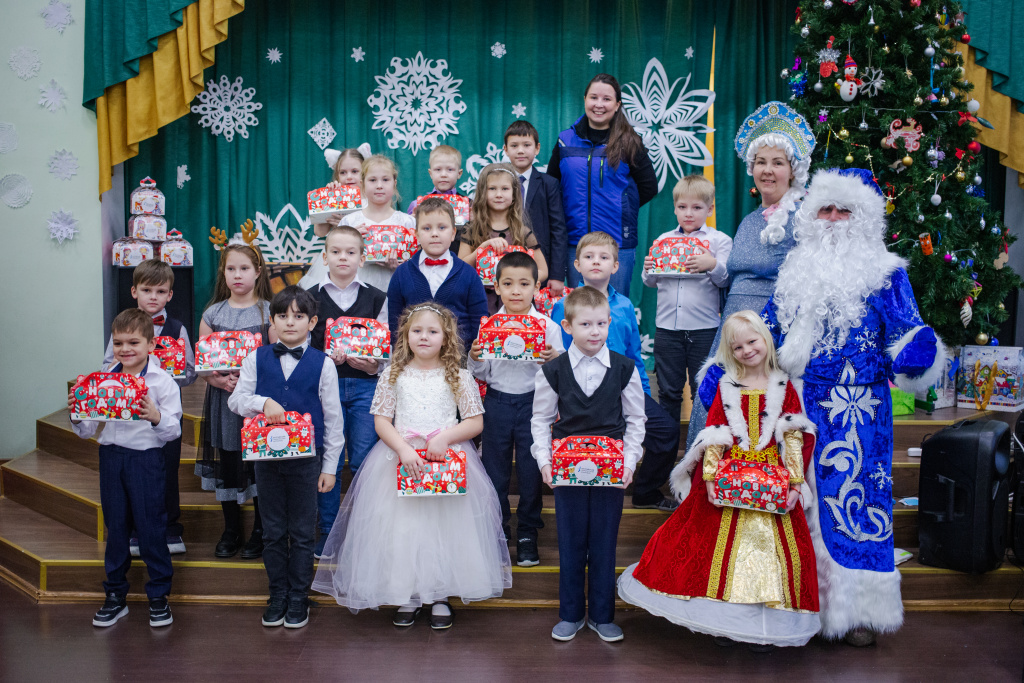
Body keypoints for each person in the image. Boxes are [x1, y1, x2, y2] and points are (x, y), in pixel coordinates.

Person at [762, 168, 945, 646]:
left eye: (845, 210)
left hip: (860, 410)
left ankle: (856, 611)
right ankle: (792, 605)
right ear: (811, 215)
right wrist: (722, 369)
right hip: (798, 405)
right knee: (793, 498)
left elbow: (909, 327)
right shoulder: (795, 268)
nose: (834, 218)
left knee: (858, 499)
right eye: (826, 208)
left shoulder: (887, 272)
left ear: (863, 219)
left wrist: (916, 350)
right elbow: (764, 332)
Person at [617, 311, 820, 650]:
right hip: (731, 478)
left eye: (752, 341)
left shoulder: (784, 386)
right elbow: (714, 435)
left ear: (766, 340)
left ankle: (759, 627)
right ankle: (721, 624)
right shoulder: (728, 385)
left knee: (766, 556)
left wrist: (796, 484)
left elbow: (794, 437)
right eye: (737, 347)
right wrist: (710, 477)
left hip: (772, 479)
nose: (747, 350)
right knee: (715, 554)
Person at [312, 303, 512, 630]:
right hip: (399, 460)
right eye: (417, 330)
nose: (424, 337)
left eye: (432, 331)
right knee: (402, 530)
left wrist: (445, 438)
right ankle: (407, 593)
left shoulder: (460, 375)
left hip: (445, 459)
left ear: (446, 338)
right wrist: (404, 448)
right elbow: (381, 420)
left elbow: (475, 422)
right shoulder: (393, 374)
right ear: (406, 335)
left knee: (444, 530)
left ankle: (440, 596)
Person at [686, 101, 816, 449]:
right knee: (715, 394)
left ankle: (761, 482)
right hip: (734, 321)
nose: (767, 170)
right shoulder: (749, 219)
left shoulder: (805, 216)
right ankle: (712, 483)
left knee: (762, 406)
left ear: (793, 169)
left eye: (777, 163)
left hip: (772, 328)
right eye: (761, 162)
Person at [531, 286, 646, 642]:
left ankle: (601, 614)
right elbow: (540, 419)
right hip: (566, 473)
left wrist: (629, 463)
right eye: (585, 324)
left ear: (610, 322)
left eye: (601, 323)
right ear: (567, 326)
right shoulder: (552, 370)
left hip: (611, 473)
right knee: (570, 542)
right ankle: (570, 614)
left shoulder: (625, 369)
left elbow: (636, 419)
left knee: (604, 542)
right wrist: (544, 462)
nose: (594, 331)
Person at [229, 287, 345, 629]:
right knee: (273, 530)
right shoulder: (256, 358)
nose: (290, 322)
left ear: (312, 322)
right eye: (282, 316)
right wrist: (261, 402)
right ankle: (277, 593)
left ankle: (298, 596)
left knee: (302, 531)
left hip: (307, 461)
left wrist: (330, 468)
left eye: (298, 316)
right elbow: (237, 400)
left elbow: (334, 419)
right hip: (266, 460)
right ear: (272, 320)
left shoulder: (323, 364)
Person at [551, 232, 681, 512]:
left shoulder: (623, 306)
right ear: (576, 265)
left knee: (667, 430)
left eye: (603, 257)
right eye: (588, 257)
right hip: (581, 395)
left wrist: (644, 394)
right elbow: (558, 359)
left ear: (615, 265)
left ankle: (645, 490)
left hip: (624, 390)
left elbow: (633, 354)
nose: (596, 262)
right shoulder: (563, 306)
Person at [70, 308, 182, 628]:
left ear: (151, 343)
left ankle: (158, 597)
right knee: (116, 529)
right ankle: (116, 595)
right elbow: (89, 429)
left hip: (146, 460)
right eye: (118, 343)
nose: (125, 349)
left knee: (150, 529)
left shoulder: (162, 383)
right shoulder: (103, 380)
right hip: (111, 458)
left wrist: (155, 416)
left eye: (133, 341)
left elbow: (173, 430)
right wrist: (78, 415)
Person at [469, 251, 564, 566]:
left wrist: (552, 361)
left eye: (524, 284)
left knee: (529, 473)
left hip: (534, 407)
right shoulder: (490, 325)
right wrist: (476, 356)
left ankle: (527, 534)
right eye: (508, 283)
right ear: (496, 287)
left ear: (536, 288)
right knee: (494, 473)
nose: (516, 291)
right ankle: (497, 532)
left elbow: (561, 371)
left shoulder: (547, 327)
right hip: (496, 403)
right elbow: (481, 374)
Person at [102, 259, 195, 557]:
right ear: (134, 291)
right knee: (129, 477)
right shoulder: (121, 327)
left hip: (165, 412)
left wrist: (171, 369)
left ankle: (169, 528)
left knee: (166, 471)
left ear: (170, 295)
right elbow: (108, 366)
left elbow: (191, 371)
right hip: (127, 415)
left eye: (160, 291)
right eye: (146, 290)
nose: (153, 297)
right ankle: (132, 532)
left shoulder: (177, 328)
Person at [307, 226, 388, 556]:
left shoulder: (376, 298)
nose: (343, 257)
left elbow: (386, 353)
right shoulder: (309, 297)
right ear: (325, 257)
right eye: (336, 252)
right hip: (323, 390)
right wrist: (323, 360)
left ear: (362, 258)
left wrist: (372, 366)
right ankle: (327, 531)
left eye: (350, 252)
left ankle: (362, 529)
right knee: (329, 460)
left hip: (366, 388)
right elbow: (302, 348)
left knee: (364, 461)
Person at [195, 242, 277, 559]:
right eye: (231, 269)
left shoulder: (269, 312)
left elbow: (276, 359)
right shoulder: (212, 314)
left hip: (256, 402)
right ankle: (231, 529)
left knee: (258, 464)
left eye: (244, 269)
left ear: (258, 272)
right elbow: (202, 362)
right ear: (223, 273)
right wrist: (216, 378)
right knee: (229, 462)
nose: (237, 275)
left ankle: (260, 530)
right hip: (222, 400)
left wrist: (247, 383)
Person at [547, 74, 658, 297]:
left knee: (614, 310)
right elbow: (552, 186)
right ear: (585, 99)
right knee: (579, 311)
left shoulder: (629, 141)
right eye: (593, 97)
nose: (599, 104)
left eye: (606, 99)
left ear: (617, 105)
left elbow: (648, 187)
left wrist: (622, 209)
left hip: (617, 243)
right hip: (574, 242)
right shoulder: (565, 140)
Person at [641, 175, 732, 425]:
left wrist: (711, 264)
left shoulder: (719, 241)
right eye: (682, 207)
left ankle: (700, 453)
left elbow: (725, 280)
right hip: (667, 330)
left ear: (710, 209)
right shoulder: (663, 240)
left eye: (697, 207)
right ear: (674, 208)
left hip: (704, 330)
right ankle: (666, 455)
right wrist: (648, 268)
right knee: (668, 392)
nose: (688, 214)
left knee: (703, 392)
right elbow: (649, 282)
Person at [387, 196, 488, 352]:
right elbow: (394, 321)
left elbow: (478, 320)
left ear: (454, 233)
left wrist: (471, 356)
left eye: (442, 228)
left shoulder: (468, 274)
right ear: (417, 234)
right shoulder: (402, 274)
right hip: (413, 359)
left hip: (457, 359)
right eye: (427, 228)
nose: (434, 234)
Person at [457, 162, 549, 312]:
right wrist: (482, 249)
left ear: (514, 195)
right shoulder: (472, 229)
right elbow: (460, 268)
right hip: (478, 301)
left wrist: (519, 282)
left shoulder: (522, 232)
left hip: (515, 304)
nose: (498, 194)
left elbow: (543, 271)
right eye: (492, 189)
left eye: (505, 189)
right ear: (482, 193)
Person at [503, 120, 568, 294]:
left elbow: (558, 230)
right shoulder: (498, 183)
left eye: (527, 145)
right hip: (504, 259)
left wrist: (557, 275)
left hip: (540, 265)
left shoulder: (549, 184)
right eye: (514, 145)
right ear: (506, 150)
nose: (521, 150)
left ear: (537, 148)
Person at [336, 154, 416, 293]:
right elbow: (337, 258)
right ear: (362, 184)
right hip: (358, 291)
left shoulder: (408, 222)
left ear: (394, 183)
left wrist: (400, 267)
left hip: (397, 289)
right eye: (372, 180)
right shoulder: (349, 222)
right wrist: (349, 241)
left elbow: (418, 264)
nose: (379, 186)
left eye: (385, 180)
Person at [303, 146, 368, 288]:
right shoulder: (336, 196)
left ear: (365, 172)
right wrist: (328, 199)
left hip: (364, 262)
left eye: (355, 171)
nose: (349, 176)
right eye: (343, 172)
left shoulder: (371, 201)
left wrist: (345, 226)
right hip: (337, 261)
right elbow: (319, 232)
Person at [406, 144, 466, 215]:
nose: (443, 175)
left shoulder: (468, 205)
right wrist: (413, 221)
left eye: (450, 169)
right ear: (430, 173)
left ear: (459, 173)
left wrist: (473, 221)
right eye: (438, 169)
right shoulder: (417, 205)